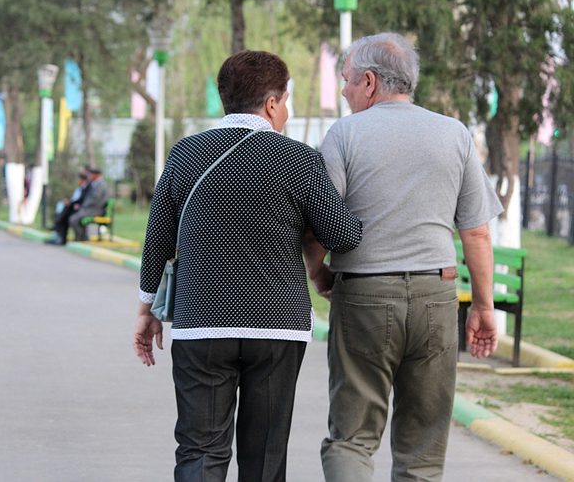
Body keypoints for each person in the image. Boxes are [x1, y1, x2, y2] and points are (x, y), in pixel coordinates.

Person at [134, 50, 363, 481]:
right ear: (273, 103)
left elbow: (158, 240)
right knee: (264, 458)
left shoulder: (185, 153)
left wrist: (148, 312)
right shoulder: (299, 159)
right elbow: (343, 236)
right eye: (287, 100)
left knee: (200, 450)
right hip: (276, 327)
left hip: (201, 322)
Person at [303, 32, 504, 482]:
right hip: (437, 296)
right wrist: (484, 307)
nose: (343, 89)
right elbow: (476, 232)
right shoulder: (453, 133)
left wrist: (319, 273)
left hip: (365, 297)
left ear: (370, 82)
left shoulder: (344, 135)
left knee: (352, 439)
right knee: (423, 454)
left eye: (348, 79)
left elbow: (318, 224)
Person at [45, 167, 91, 245]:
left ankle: (57, 227)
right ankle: (58, 233)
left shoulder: (87, 188)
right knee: (61, 215)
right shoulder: (81, 188)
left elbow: (82, 200)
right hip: (73, 207)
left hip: (78, 208)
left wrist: (72, 203)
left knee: (63, 217)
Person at [68, 167, 110, 242]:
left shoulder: (100, 185)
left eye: (91, 174)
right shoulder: (95, 185)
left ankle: (80, 239)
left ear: (96, 175)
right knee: (74, 217)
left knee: (74, 219)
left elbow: (94, 199)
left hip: (96, 210)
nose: (90, 176)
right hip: (92, 209)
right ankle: (83, 238)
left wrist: (83, 206)